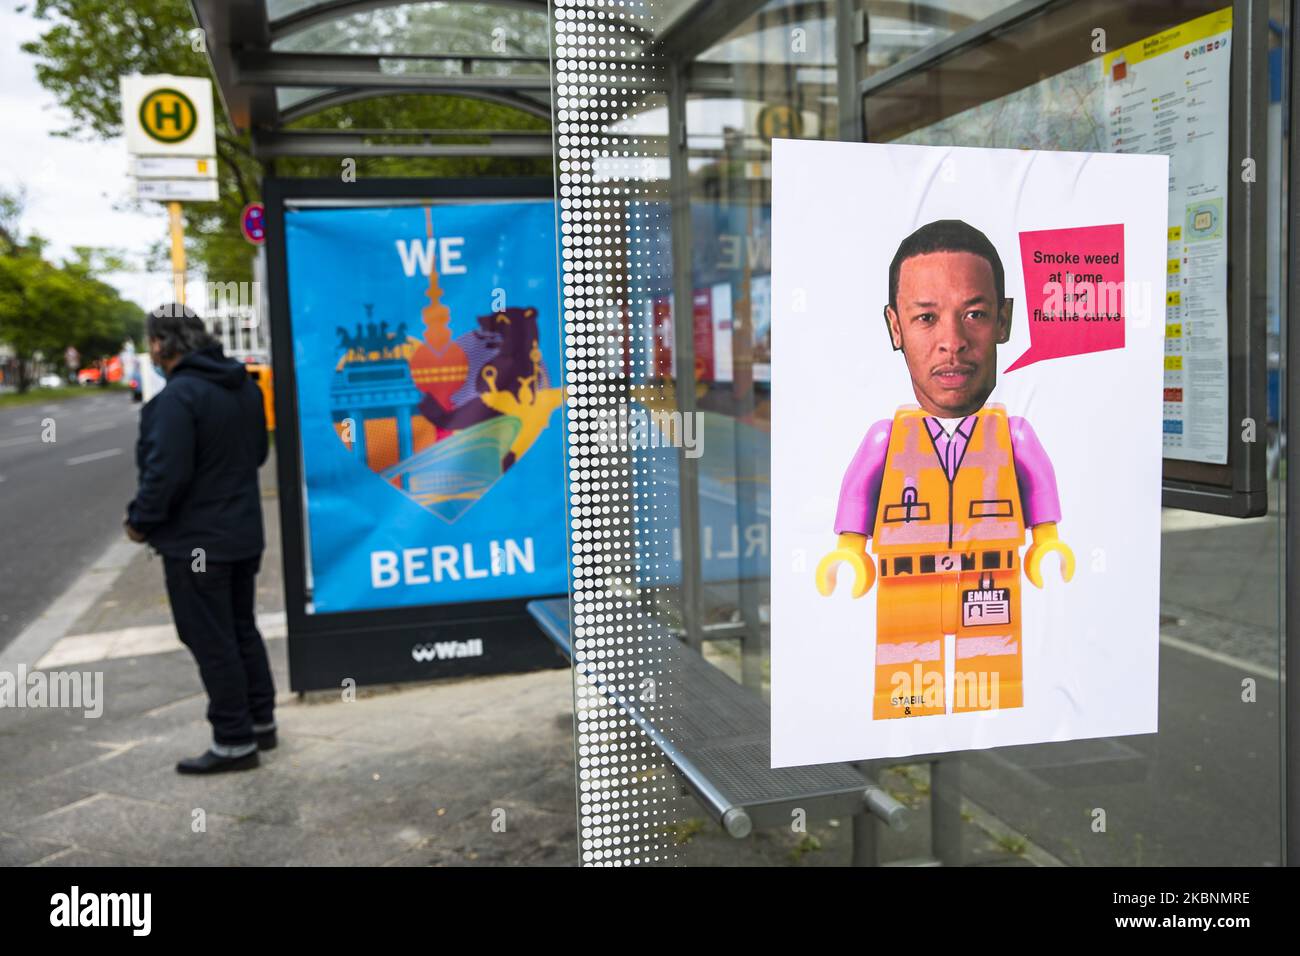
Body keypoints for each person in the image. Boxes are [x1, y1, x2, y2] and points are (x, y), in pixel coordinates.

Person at [816, 220, 1075, 719]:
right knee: (910, 686)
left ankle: (987, 719)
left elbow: (1039, 486)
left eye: (974, 314)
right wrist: (851, 550)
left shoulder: (1014, 436)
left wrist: (1047, 541)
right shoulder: (885, 441)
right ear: (895, 327)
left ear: (1004, 321)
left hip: (990, 581)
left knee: (990, 686)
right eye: (926, 318)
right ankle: (916, 727)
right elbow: (858, 493)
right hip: (905, 585)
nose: (951, 342)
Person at [125, 304, 275, 773]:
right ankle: (260, 724)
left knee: (210, 638)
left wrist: (139, 521)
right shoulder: (243, 388)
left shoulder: (177, 399)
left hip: (196, 544)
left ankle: (233, 741)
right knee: (239, 628)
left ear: (161, 345)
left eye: (151, 341)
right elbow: (256, 453)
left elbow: (164, 475)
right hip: (242, 534)